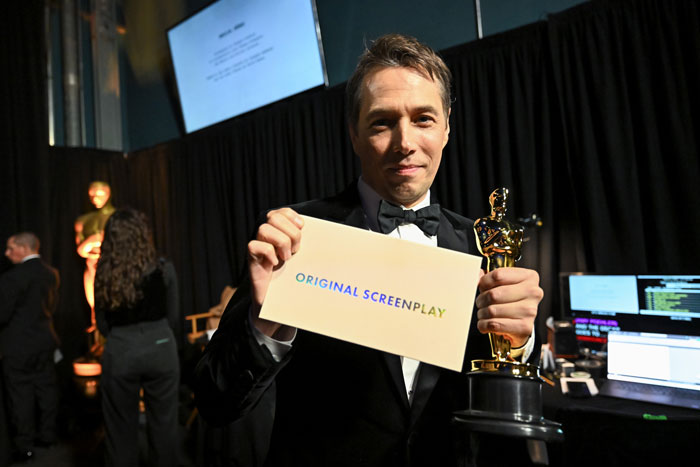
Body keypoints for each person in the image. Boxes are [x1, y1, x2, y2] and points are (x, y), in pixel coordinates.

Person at [194, 34, 543, 467]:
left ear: (447, 127)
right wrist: (263, 324)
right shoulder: (296, 235)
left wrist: (519, 341)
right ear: (354, 134)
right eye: (382, 122)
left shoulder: (482, 245)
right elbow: (215, 402)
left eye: (423, 119)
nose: (405, 142)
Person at [94, 209, 180, 467]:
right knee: (164, 427)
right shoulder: (164, 268)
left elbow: (102, 324)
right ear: (144, 235)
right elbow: (173, 316)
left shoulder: (103, 273)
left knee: (119, 432)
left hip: (121, 352)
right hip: (161, 349)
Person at [0, 232, 60, 463]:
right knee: (46, 390)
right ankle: (48, 437)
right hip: (45, 341)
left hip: (18, 346)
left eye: (10, 248)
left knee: (20, 395)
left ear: (24, 249)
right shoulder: (52, 274)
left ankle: (25, 446)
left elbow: (2, 314)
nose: (7, 253)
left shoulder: (12, 278)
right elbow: (51, 308)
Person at [74, 180, 115, 350]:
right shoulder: (83, 220)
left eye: (99, 194)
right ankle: (98, 343)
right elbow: (80, 249)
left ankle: (110, 342)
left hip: (112, 266)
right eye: (91, 196)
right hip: (91, 266)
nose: (95, 199)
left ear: (108, 194)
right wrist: (92, 240)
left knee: (112, 301)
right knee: (94, 305)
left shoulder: (116, 217)